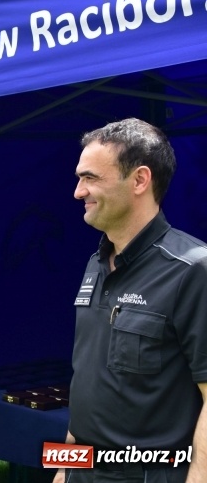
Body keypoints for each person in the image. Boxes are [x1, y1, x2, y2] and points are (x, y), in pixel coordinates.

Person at [53, 118, 207, 483]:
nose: (78, 192)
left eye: (90, 178)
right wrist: (63, 470)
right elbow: (89, 383)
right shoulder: (95, 263)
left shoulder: (192, 270)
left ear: (139, 180)